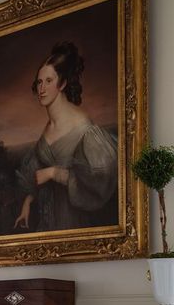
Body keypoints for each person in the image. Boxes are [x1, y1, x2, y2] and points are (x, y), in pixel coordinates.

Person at [14, 41, 118, 233]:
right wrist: (28, 202)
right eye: (39, 82)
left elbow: (101, 180)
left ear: (62, 83)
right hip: (47, 223)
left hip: (72, 222)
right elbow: (38, 174)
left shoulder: (85, 129)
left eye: (48, 81)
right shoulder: (49, 126)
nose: (41, 89)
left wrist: (55, 173)